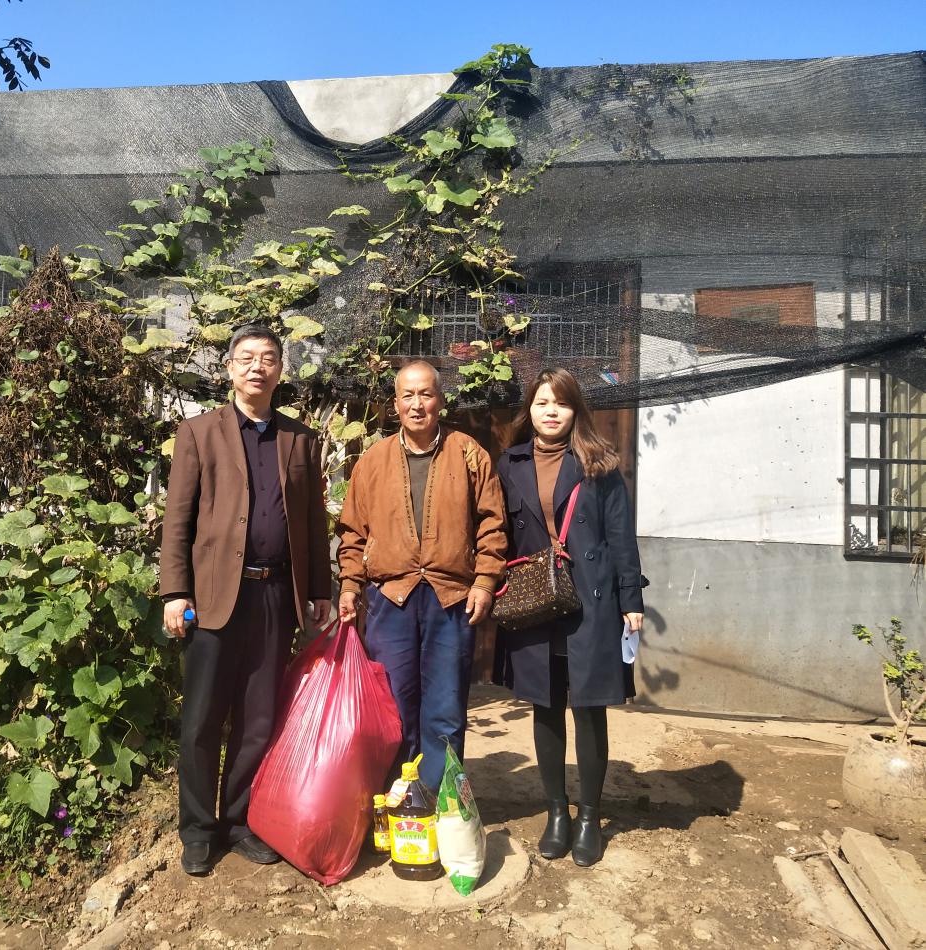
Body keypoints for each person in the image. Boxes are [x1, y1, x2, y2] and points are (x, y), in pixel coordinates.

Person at [160, 324, 333, 876]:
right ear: (230, 369)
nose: (258, 367)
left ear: (281, 369)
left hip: (275, 595)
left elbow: (313, 522)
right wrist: (175, 591)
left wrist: (319, 590)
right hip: (214, 598)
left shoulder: (300, 439)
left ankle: (237, 822)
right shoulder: (198, 432)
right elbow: (177, 520)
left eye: (269, 358)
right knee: (202, 721)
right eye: (248, 358)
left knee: (258, 720)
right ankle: (197, 830)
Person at [497, 367, 647, 867]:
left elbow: (621, 537)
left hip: (591, 602)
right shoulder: (511, 462)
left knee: (588, 708)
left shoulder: (598, 464)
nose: (551, 411)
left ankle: (589, 818)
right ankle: (557, 812)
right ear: (530, 410)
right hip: (537, 600)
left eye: (560, 403)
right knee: (545, 706)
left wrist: (631, 600)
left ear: (574, 410)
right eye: (542, 402)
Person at [336, 360, 507, 791]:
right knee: (393, 704)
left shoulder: (468, 453)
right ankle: (396, 800)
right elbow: (353, 531)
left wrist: (485, 581)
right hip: (389, 597)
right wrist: (350, 584)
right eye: (408, 395)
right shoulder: (372, 460)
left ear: (440, 401)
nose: (417, 405)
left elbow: (492, 524)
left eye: (426, 394)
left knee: (445, 707)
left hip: (451, 597)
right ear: (395, 404)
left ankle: (438, 800)